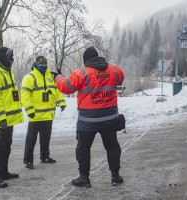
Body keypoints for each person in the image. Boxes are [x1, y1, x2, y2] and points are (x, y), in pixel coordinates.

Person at [55, 47, 124, 187]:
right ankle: (115, 176)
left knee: (83, 148)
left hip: (87, 121)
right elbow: (120, 79)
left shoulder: (81, 73)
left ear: (86, 60)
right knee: (112, 147)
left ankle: (84, 178)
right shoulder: (114, 69)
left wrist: (58, 77)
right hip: (109, 118)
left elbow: (66, 88)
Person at [21, 56, 67, 169]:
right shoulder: (29, 77)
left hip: (48, 114)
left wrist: (61, 102)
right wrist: (29, 110)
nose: (43, 66)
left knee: (46, 138)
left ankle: (45, 156)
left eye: (45, 63)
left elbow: (56, 91)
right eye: (41, 64)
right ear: (36, 64)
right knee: (31, 139)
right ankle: (28, 160)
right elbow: (25, 96)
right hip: (35, 115)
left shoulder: (50, 77)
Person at [0, 47, 24, 188]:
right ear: (2, 57)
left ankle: (3, 172)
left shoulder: (6, 72)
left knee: (6, 146)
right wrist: (0, 118)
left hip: (8, 119)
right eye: (10, 57)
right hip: (1, 119)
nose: (12, 60)